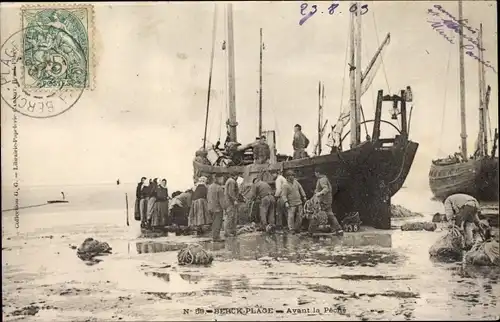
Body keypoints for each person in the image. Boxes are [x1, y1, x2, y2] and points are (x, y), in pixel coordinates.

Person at [314, 168, 343, 235]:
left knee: (325, 214)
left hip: (324, 201)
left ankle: (315, 229)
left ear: (318, 173)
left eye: (315, 173)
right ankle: (337, 229)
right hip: (327, 200)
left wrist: (319, 193)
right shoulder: (324, 178)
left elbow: (326, 189)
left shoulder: (322, 180)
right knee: (330, 214)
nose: (315, 174)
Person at [208, 174, 226, 241]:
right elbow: (221, 200)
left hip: (210, 207)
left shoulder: (210, 187)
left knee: (213, 223)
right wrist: (224, 208)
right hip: (217, 208)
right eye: (221, 178)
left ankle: (214, 236)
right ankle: (216, 237)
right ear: (217, 179)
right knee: (218, 223)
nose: (222, 180)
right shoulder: (219, 188)